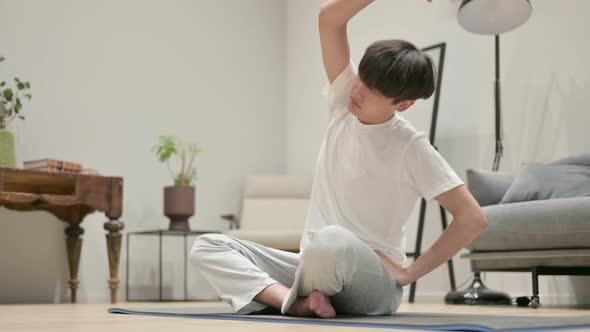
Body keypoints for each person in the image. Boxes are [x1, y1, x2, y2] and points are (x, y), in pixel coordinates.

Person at [190, 0, 488, 318]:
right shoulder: (344, 103)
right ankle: (296, 303)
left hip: (370, 285)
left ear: (403, 105)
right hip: (313, 266)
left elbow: (472, 218)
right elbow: (329, 19)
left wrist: (409, 273)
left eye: (373, 90)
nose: (358, 89)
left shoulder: (411, 148)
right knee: (208, 245)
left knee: (330, 240)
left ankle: (297, 298)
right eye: (362, 77)